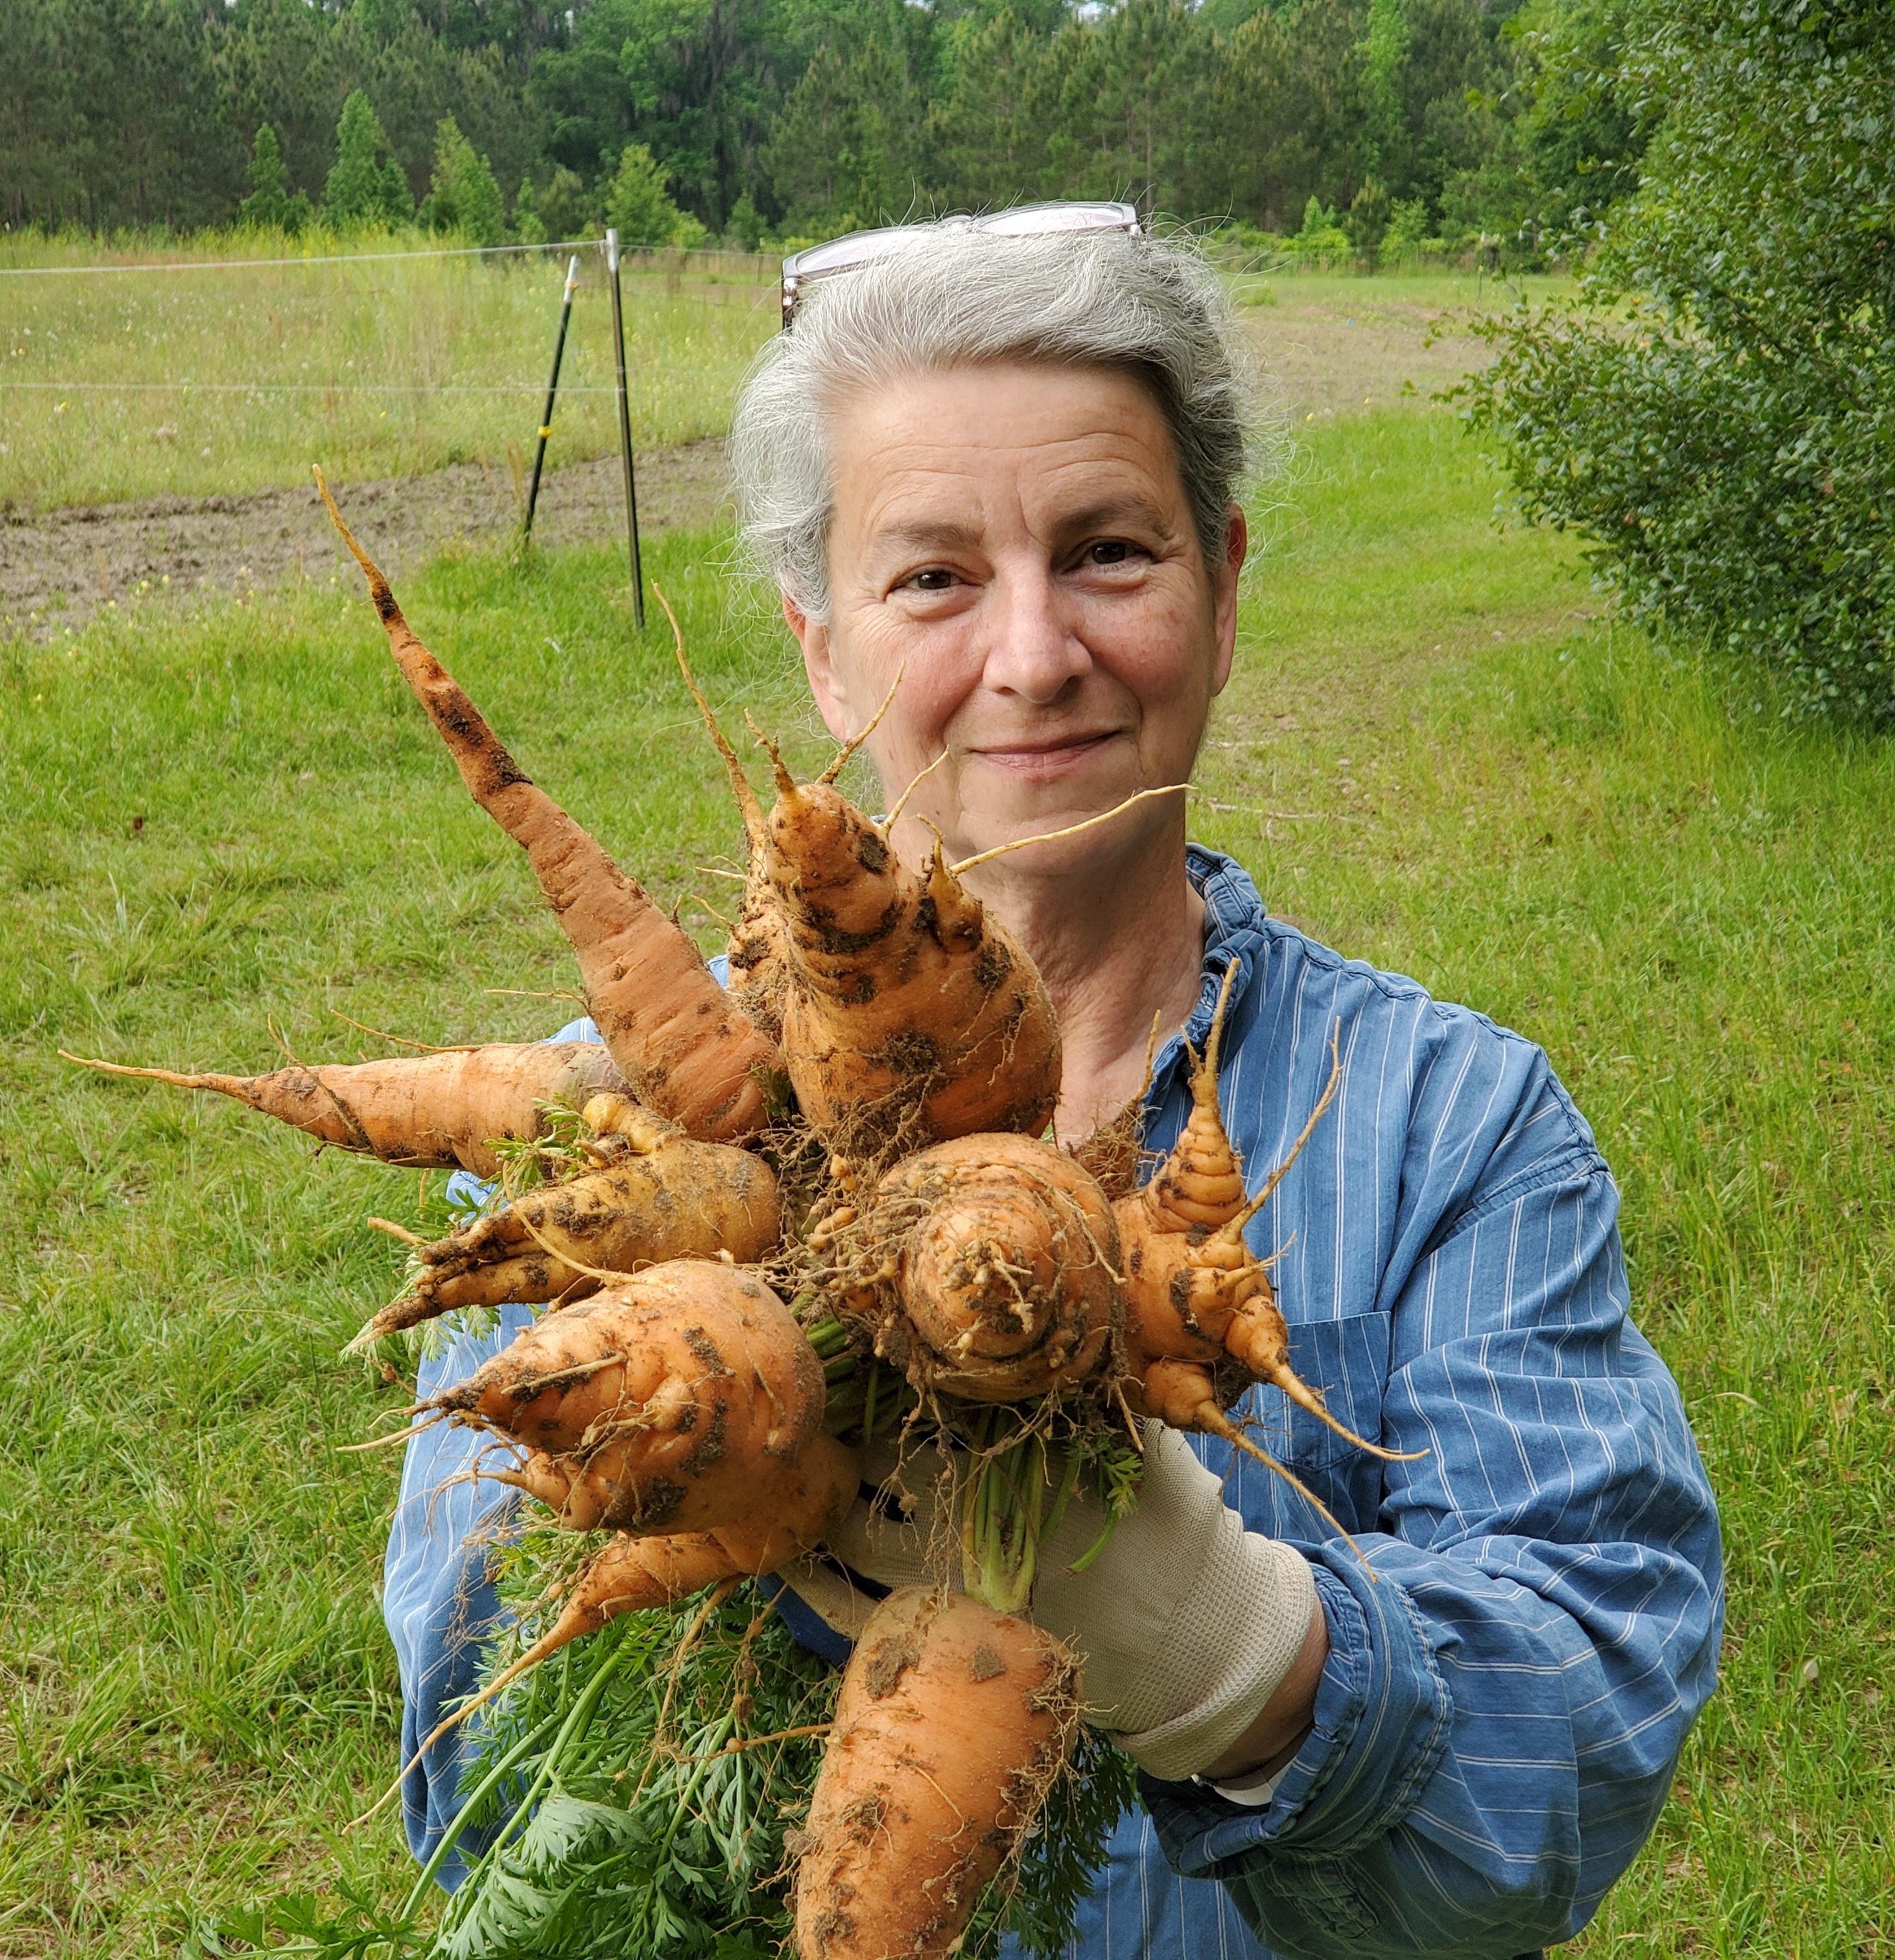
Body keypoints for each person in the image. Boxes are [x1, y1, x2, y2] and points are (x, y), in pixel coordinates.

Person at [384, 209, 1724, 1959]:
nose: (1032, 658)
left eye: (1106, 553)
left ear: (1224, 589)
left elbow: (1569, 1772)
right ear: (821, 648)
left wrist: (1233, 1655)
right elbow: (480, 1789)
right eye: (934, 576)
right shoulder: (586, 1164)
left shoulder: (1450, 1127)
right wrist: (736, 1470)